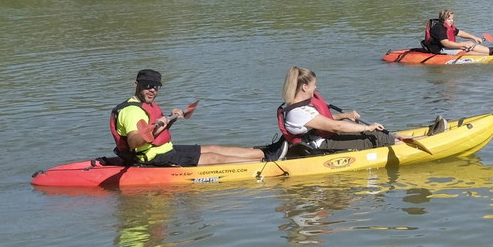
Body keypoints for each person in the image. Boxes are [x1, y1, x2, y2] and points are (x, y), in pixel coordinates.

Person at [109, 69, 267, 167]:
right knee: (213, 158)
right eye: (147, 86)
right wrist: (157, 127)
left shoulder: (147, 103)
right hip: (152, 157)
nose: (152, 90)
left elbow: (155, 134)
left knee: (213, 148)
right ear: (136, 85)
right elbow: (133, 142)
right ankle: (266, 165)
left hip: (164, 149)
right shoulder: (131, 112)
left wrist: (171, 121)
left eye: (155, 87)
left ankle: (266, 153)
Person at [276, 67, 422, 157]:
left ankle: (425, 137)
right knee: (377, 137)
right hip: (320, 145)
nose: (316, 87)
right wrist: (367, 127)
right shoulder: (298, 111)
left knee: (373, 133)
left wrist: (344, 115)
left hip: (323, 138)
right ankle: (427, 142)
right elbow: (336, 127)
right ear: (304, 87)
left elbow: (320, 121)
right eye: (314, 85)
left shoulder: (298, 106)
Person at [421, 9, 493, 55]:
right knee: (465, 47)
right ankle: (491, 54)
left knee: (469, 43)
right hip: (440, 50)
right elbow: (446, 43)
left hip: (447, 47)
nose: (452, 21)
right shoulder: (438, 28)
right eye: (449, 19)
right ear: (443, 19)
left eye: (452, 19)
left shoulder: (449, 26)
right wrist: (461, 45)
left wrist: (474, 37)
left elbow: (459, 33)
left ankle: (492, 51)